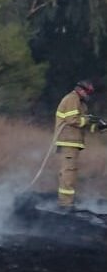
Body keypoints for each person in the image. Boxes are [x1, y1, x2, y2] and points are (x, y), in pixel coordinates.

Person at [54, 79, 103, 208]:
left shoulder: (81, 104)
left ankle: (67, 202)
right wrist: (87, 119)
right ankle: (65, 204)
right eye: (88, 93)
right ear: (81, 90)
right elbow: (72, 120)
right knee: (68, 171)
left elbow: (82, 124)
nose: (88, 96)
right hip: (67, 140)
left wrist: (98, 126)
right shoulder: (72, 99)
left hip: (73, 142)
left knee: (71, 171)